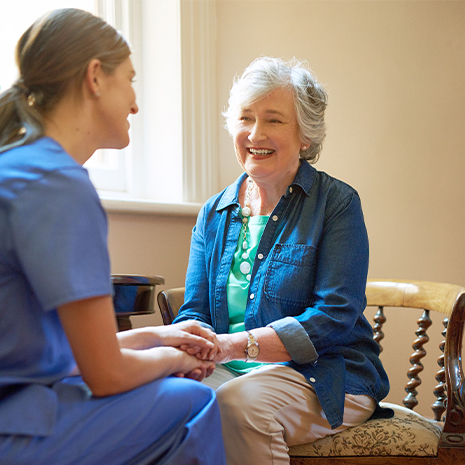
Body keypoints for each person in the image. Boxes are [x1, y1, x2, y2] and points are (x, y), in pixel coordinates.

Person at [0, 9, 226, 465]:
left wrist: (161, 338)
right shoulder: (56, 183)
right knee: (193, 403)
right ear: (95, 77)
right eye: (131, 79)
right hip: (15, 429)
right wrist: (177, 361)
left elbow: (62, 354)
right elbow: (105, 374)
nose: (136, 103)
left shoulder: (18, 168)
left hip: (18, 398)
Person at [174, 56, 391, 464]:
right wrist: (195, 349)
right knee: (164, 399)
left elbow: (333, 315)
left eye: (273, 120)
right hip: (230, 370)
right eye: (245, 118)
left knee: (240, 403)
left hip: (327, 375)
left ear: (305, 135)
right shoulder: (214, 212)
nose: (255, 133)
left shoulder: (337, 204)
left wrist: (233, 345)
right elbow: (194, 310)